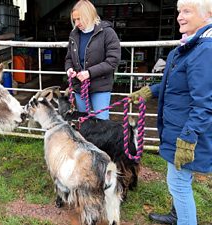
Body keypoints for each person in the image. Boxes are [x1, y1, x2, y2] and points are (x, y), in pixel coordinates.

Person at [129, 0, 212, 224]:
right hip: (177, 126)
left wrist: (188, 138)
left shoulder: (205, 51)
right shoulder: (190, 46)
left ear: (208, 15)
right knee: (181, 180)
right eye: (179, 11)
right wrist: (150, 91)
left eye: (187, 11)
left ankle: (184, 219)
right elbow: (176, 85)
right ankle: (177, 216)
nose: (179, 17)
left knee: (178, 184)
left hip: (185, 132)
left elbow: (204, 104)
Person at [65, 0, 121, 120]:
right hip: (80, 86)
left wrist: (89, 73)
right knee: (82, 122)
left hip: (100, 86)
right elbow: (69, 57)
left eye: (79, 19)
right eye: (74, 20)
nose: (77, 23)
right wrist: (69, 69)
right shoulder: (74, 34)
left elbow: (113, 60)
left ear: (88, 15)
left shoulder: (107, 32)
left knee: (101, 122)